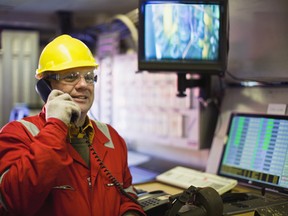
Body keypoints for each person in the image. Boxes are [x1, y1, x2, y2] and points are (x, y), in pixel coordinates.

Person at [0, 34, 146, 216]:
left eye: (89, 77)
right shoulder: (17, 134)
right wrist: (56, 125)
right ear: (46, 86)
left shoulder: (111, 137)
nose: (84, 85)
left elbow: (128, 195)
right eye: (71, 77)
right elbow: (15, 203)